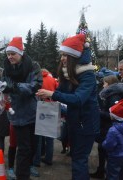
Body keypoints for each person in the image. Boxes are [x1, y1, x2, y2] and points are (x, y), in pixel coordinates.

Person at [36, 34, 100, 180]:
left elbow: (78, 100)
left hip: (86, 125)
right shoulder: (69, 73)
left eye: (66, 55)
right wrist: (45, 94)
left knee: (79, 161)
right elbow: (60, 92)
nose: (62, 58)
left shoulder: (88, 75)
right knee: (77, 160)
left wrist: (52, 94)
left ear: (75, 56)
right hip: (76, 122)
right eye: (62, 55)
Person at [2, 36, 43, 180]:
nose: (10, 57)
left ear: (21, 53)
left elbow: (35, 85)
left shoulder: (33, 66)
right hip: (16, 114)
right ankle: (22, 176)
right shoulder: (6, 69)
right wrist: (2, 92)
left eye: (13, 54)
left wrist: (14, 87)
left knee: (32, 146)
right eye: (8, 54)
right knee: (23, 149)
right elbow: (3, 87)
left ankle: (27, 169)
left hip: (32, 111)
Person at [90, 75, 123, 179]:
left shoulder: (114, 96)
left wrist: (99, 112)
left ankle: (106, 173)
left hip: (109, 129)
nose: (103, 85)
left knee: (107, 153)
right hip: (106, 128)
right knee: (102, 150)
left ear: (109, 84)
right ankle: (101, 171)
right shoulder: (109, 95)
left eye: (105, 83)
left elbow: (114, 115)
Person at [102, 98, 123, 180]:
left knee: (112, 173)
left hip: (115, 155)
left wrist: (103, 144)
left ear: (114, 117)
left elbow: (109, 145)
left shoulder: (113, 130)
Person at [33, 68, 58, 167]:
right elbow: (57, 91)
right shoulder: (53, 80)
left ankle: (36, 160)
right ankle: (49, 159)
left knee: (38, 135)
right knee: (50, 136)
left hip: (40, 107)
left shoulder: (37, 79)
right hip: (52, 106)